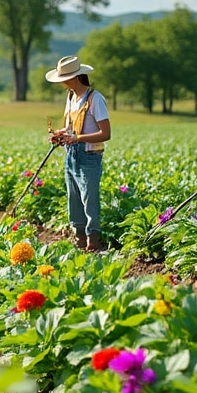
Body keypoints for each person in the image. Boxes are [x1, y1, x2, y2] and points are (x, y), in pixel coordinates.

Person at [46, 56, 111, 251]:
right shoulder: (71, 98)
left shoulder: (95, 99)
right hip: (71, 155)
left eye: (64, 79)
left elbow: (106, 133)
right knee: (73, 199)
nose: (62, 83)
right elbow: (70, 128)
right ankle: (79, 238)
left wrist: (78, 138)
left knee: (89, 200)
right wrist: (61, 134)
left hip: (89, 157)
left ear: (75, 77)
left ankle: (93, 241)